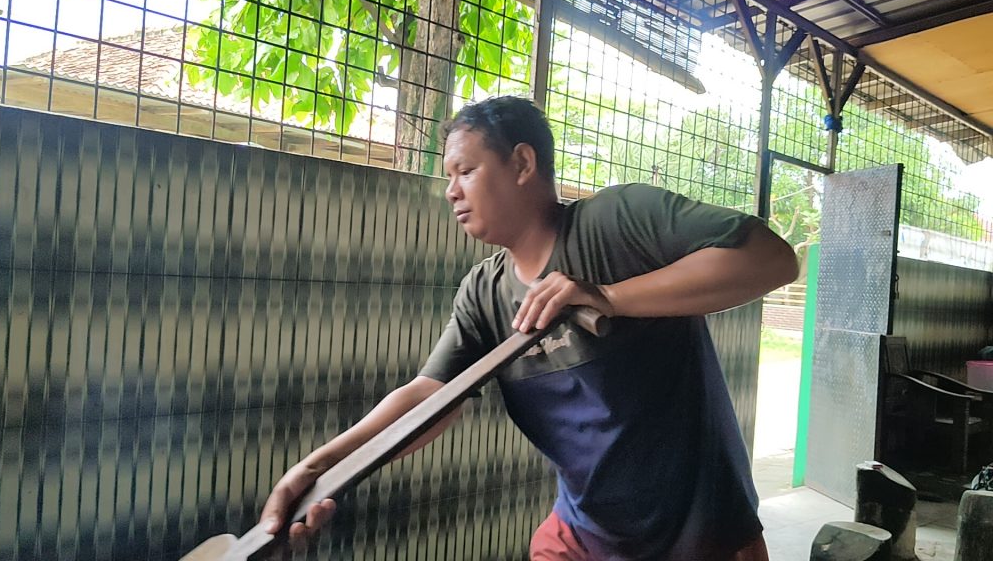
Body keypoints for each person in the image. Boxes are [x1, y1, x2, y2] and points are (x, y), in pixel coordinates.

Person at [259, 96, 798, 560]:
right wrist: (323, 467)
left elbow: (772, 259)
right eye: (448, 177)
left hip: (701, 533)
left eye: (466, 171)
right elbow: (430, 397)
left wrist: (610, 297)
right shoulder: (484, 293)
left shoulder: (618, 223)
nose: (451, 191)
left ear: (521, 163)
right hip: (585, 535)